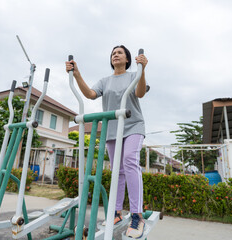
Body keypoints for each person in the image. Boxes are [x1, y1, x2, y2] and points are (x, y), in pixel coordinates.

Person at [66, 45, 148, 239]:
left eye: (119, 52)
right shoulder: (106, 81)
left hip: (133, 125)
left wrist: (142, 70)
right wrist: (76, 73)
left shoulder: (133, 75)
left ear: (128, 59)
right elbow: (90, 94)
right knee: (116, 171)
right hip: (112, 130)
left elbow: (140, 93)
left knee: (129, 161)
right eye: (113, 53)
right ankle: (117, 213)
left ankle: (137, 214)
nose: (115, 55)